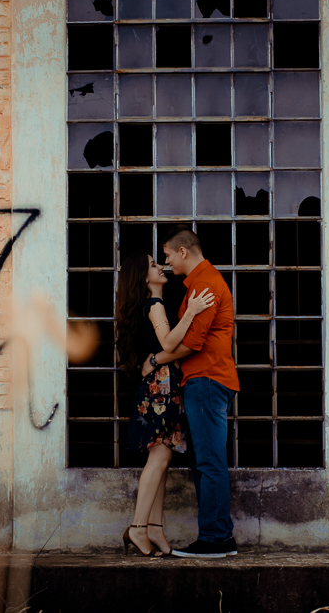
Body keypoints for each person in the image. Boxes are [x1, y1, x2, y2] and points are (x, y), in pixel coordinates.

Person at [142, 227, 240, 559]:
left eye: (168, 255)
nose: (166, 262)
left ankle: (216, 540)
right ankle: (218, 537)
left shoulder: (206, 283)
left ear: (183, 251)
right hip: (205, 381)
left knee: (210, 462)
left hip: (208, 380)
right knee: (204, 461)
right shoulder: (200, 283)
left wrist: (154, 359)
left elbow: (190, 343)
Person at [116, 249, 215, 557]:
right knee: (159, 458)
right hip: (160, 388)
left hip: (164, 386)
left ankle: (155, 528)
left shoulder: (155, 304)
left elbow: (161, 350)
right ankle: (137, 528)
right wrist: (192, 311)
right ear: (143, 277)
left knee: (163, 458)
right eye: (153, 265)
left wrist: (156, 358)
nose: (161, 268)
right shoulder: (155, 304)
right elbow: (170, 343)